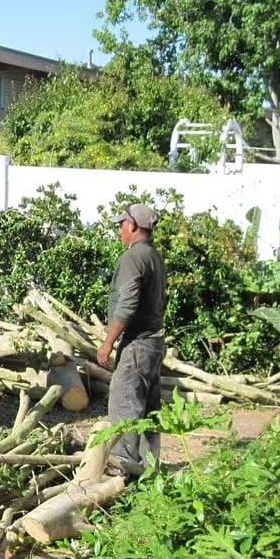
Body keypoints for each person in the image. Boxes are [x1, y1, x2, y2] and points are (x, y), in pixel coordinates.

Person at [97, 202, 167, 473]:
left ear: (134, 226)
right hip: (154, 340)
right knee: (148, 406)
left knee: (124, 401)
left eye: (121, 225)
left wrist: (108, 343)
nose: (120, 231)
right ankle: (149, 468)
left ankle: (121, 469)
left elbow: (127, 304)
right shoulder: (154, 256)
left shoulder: (133, 257)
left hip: (138, 342)